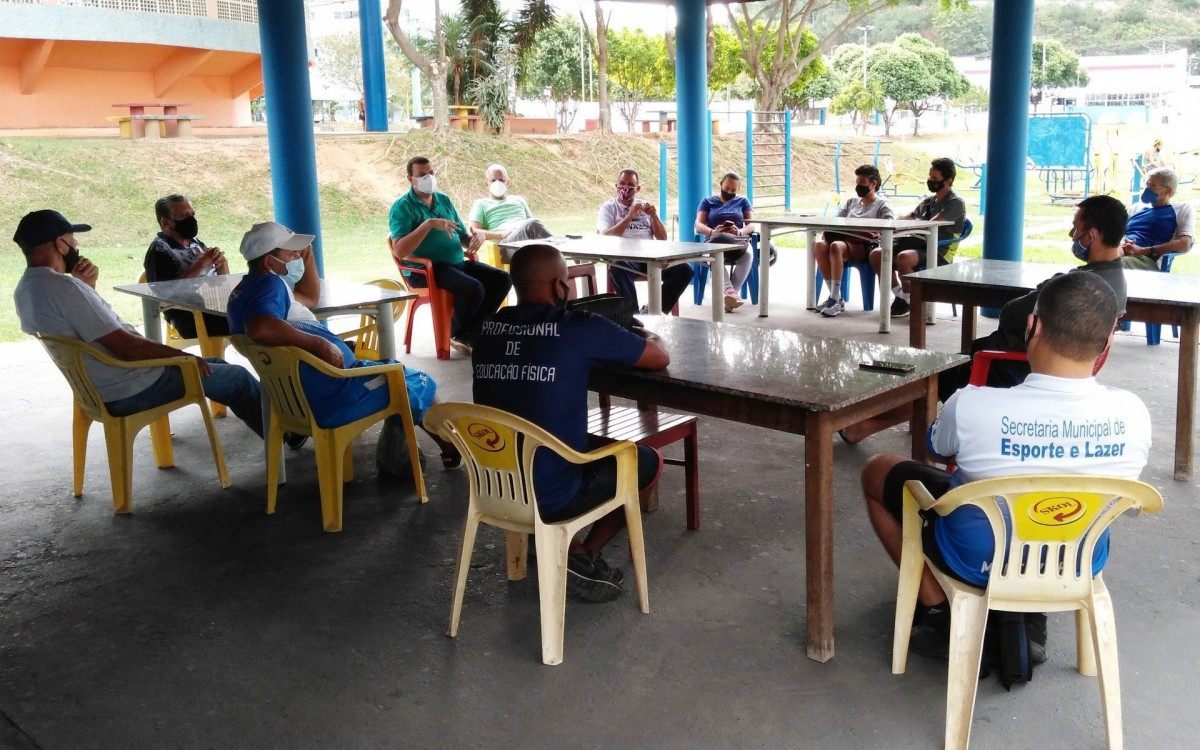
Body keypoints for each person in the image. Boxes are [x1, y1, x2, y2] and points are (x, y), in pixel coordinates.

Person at [861, 272, 1151, 659]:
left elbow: (936, 450)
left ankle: (937, 608)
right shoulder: (1134, 414)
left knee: (879, 469)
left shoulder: (973, 404)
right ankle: (1031, 612)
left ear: (1033, 325)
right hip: (1076, 556)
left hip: (972, 558)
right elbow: (1126, 509)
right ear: (1107, 344)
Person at [842, 195, 1129, 445]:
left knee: (934, 376)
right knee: (946, 367)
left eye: (1076, 229)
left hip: (1011, 364)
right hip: (1046, 364)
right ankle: (869, 422)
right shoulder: (1114, 281)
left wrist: (1047, 287)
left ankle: (863, 425)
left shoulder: (1077, 287)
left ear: (1090, 237)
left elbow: (1011, 315)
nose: (1071, 236)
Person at [472, 243, 670, 603]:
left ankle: (560, 544)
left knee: (584, 439)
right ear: (559, 287)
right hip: (553, 494)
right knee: (647, 461)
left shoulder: (486, 329)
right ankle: (581, 554)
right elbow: (658, 357)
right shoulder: (579, 327)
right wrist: (645, 333)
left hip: (496, 484)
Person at [226, 221, 460, 467]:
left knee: (397, 375)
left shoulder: (246, 289)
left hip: (303, 395)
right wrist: (320, 345)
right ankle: (429, 450)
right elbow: (260, 327)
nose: (298, 255)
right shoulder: (270, 285)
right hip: (336, 393)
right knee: (415, 381)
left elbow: (308, 300)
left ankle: (404, 454)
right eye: (291, 252)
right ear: (268, 262)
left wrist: (307, 258)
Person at [13, 209, 264, 436]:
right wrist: (182, 358)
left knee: (218, 364)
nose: (76, 244)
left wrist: (87, 287)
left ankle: (277, 427)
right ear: (60, 243)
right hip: (131, 385)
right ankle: (285, 431)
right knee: (237, 377)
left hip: (98, 387)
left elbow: (85, 328)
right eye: (72, 238)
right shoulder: (65, 289)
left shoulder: (26, 288)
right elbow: (128, 348)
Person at [389, 155, 512, 356]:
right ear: (410, 179)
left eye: (430, 173)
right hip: (426, 270)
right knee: (474, 288)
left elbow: (463, 236)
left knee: (502, 279)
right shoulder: (402, 206)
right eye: (421, 175)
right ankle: (454, 333)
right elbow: (400, 250)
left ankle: (473, 331)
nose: (428, 177)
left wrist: (475, 238)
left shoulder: (443, 200)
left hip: (456, 264)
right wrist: (428, 225)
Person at [869, 157, 967, 318]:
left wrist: (911, 225)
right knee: (876, 254)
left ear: (948, 180)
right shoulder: (929, 201)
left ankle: (908, 299)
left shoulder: (955, 203)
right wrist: (900, 220)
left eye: (935, 179)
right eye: (929, 177)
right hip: (917, 244)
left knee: (904, 258)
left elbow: (931, 224)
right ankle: (902, 295)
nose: (931, 181)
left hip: (938, 250)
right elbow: (910, 216)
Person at [598, 168, 694, 314]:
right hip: (625, 256)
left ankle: (652, 311)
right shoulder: (609, 208)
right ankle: (633, 317)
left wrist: (654, 217)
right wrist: (628, 217)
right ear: (616, 185)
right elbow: (606, 236)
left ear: (638, 188)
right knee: (618, 268)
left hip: (650, 255)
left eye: (631, 185)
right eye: (622, 183)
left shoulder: (644, 206)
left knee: (685, 270)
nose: (625, 188)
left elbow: (662, 238)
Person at [143, 194, 233, 339]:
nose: (191, 220)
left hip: (217, 308)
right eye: (184, 216)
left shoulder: (195, 243)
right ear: (166, 222)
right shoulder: (160, 251)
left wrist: (222, 264)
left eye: (192, 214)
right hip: (190, 317)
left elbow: (223, 284)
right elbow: (165, 293)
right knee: (253, 321)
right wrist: (200, 265)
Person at [812, 164, 894, 317]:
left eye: (862, 181)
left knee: (836, 246)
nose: (858, 185)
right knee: (818, 246)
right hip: (845, 240)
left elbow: (889, 224)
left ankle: (835, 299)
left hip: (865, 244)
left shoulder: (882, 204)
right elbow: (837, 220)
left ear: (873, 183)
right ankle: (836, 298)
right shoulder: (851, 202)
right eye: (857, 181)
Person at [694, 171, 756, 313]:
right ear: (721, 184)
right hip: (714, 241)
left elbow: (751, 225)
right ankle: (730, 293)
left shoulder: (743, 201)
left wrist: (739, 231)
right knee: (715, 254)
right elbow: (698, 224)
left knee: (748, 254)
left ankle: (730, 296)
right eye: (727, 188)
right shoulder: (708, 202)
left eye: (734, 190)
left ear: (738, 190)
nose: (729, 192)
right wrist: (713, 232)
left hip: (738, 241)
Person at [468, 163, 552, 260]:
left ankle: (561, 254)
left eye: (501, 180)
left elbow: (535, 225)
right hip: (505, 246)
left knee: (533, 225)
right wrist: (501, 234)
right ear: (486, 183)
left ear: (507, 182)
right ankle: (564, 249)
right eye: (493, 180)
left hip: (527, 240)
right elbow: (472, 231)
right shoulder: (481, 204)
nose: (497, 183)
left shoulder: (518, 200)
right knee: (531, 225)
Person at [1119, 167, 1194, 271]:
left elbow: (1184, 244)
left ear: (1168, 190)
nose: (1147, 189)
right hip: (1119, 251)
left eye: (1152, 186)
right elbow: (1116, 230)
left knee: (1112, 265)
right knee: (1099, 261)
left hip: (1147, 259)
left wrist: (1143, 251)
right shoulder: (1136, 208)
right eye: (1147, 185)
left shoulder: (1181, 209)